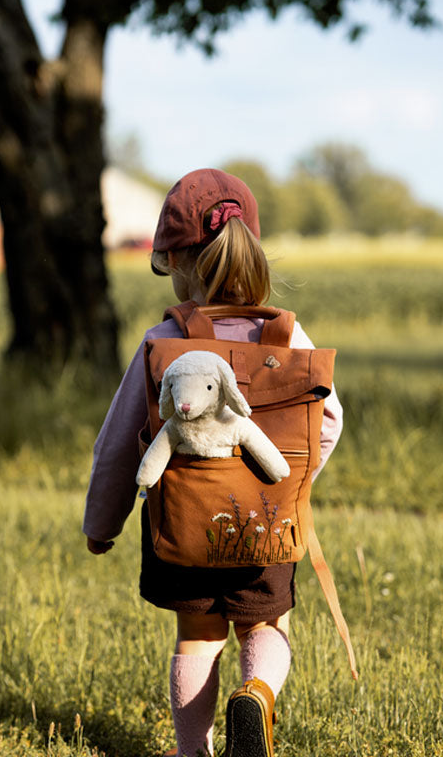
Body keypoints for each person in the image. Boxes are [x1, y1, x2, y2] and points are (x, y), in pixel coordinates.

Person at [83, 169, 343, 757]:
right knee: (265, 626)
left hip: (185, 526)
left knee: (197, 639)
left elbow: (119, 445)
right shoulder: (287, 337)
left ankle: (192, 751)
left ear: (177, 263)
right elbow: (329, 421)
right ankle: (254, 694)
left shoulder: (162, 342)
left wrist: (103, 525)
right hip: (265, 524)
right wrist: (292, 487)